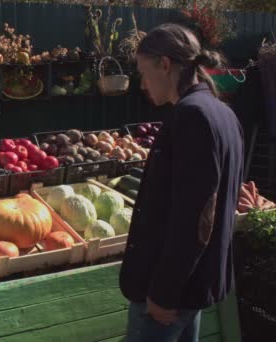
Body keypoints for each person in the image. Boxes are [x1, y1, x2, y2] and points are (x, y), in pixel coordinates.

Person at [119, 23, 244, 342]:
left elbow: (197, 216)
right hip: (190, 286)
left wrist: (163, 292)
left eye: (144, 72)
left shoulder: (193, 117)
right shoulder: (222, 113)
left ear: (165, 65)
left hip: (170, 295)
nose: (143, 85)